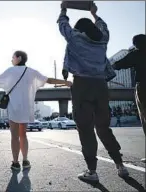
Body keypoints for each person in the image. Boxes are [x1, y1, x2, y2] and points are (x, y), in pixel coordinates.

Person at [57, 2, 129, 182]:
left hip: (82, 86)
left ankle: (92, 171)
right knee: (104, 128)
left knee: (86, 129)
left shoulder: (75, 37)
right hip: (100, 86)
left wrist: (64, 9)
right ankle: (120, 165)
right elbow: (103, 26)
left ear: (79, 29)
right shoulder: (103, 39)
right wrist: (94, 14)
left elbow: (62, 24)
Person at [0, 50, 72, 170]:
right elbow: (48, 80)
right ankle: (25, 160)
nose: (11, 60)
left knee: (14, 136)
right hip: (26, 107)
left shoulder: (10, 70)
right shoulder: (31, 72)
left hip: (14, 107)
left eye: (13, 57)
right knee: (23, 135)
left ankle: (15, 162)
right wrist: (65, 82)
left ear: (18, 58)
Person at [112, 34, 146, 163]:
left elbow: (119, 64)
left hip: (143, 87)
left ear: (136, 44)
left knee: (145, 117)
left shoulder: (137, 54)